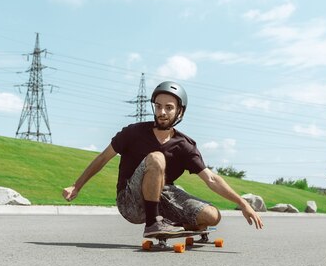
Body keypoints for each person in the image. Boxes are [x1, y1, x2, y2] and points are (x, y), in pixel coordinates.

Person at [62, 81, 263, 237]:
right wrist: (76, 186)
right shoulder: (133, 132)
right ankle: (152, 223)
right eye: (158, 107)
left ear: (180, 111)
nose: (162, 112)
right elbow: (103, 158)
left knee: (213, 216)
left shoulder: (184, 145)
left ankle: (173, 220)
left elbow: (210, 178)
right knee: (156, 158)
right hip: (130, 201)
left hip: (162, 195)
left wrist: (242, 203)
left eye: (168, 107)